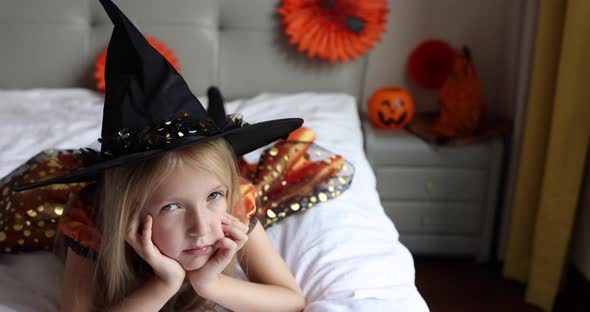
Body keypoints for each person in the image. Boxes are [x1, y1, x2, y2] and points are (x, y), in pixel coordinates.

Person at [9, 0, 309, 310]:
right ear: (128, 212)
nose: (202, 227)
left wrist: (210, 283)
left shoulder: (235, 201)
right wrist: (165, 283)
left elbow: (291, 301)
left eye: (213, 196)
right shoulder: (91, 218)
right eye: (172, 206)